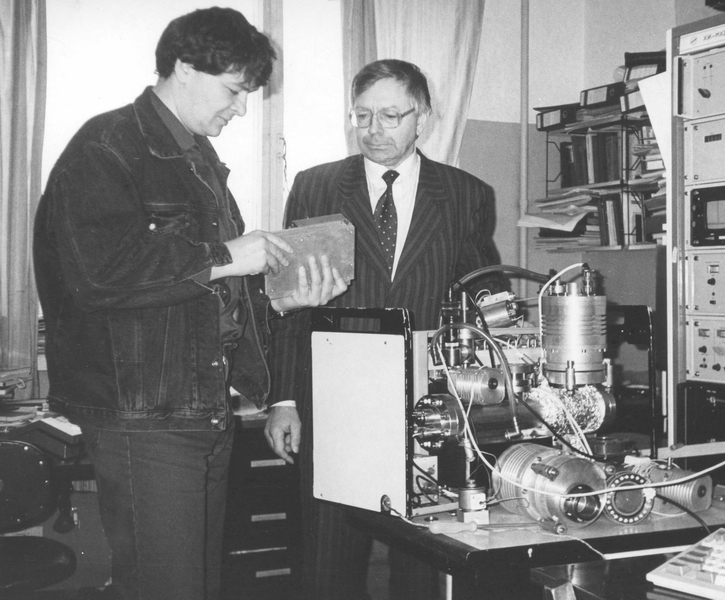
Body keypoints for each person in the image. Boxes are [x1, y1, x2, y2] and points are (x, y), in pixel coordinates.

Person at [32, 8, 348, 600]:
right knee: (167, 586)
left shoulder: (198, 159)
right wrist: (228, 255)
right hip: (145, 416)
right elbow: (99, 276)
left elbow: (208, 295)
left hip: (198, 407)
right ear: (183, 67)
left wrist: (283, 301)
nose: (242, 108)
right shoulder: (106, 147)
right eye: (233, 90)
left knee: (196, 585)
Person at [265, 59, 504, 600]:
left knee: (423, 569)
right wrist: (284, 399)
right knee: (327, 569)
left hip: (428, 411)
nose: (374, 130)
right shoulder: (316, 186)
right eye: (363, 115)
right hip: (335, 407)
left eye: (391, 116)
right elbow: (290, 304)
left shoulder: (465, 194)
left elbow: (481, 295)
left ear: (422, 117)